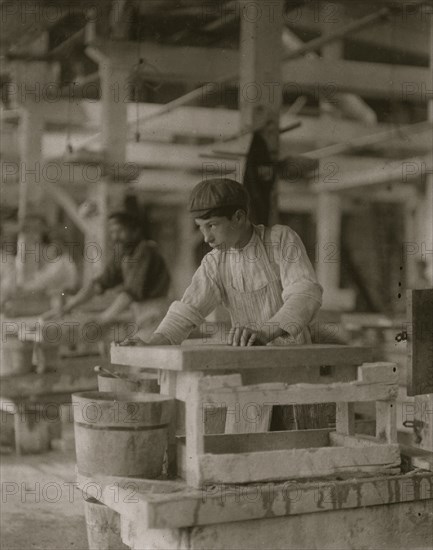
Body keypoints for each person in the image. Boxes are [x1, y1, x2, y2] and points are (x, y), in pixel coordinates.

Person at [133, 178, 322, 347]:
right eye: (201, 227)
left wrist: (265, 333)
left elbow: (305, 294)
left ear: (239, 217)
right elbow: (186, 311)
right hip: (246, 360)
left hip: (293, 359)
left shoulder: (280, 240)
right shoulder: (214, 262)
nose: (206, 238)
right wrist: (151, 343)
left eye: (212, 225)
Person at [44, 212, 171, 341]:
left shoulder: (145, 250)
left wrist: (103, 318)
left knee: (142, 351)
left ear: (136, 230)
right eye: (112, 232)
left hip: (155, 314)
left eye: (120, 231)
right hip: (139, 314)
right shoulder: (124, 254)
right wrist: (68, 307)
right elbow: (100, 283)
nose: (115, 237)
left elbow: (131, 292)